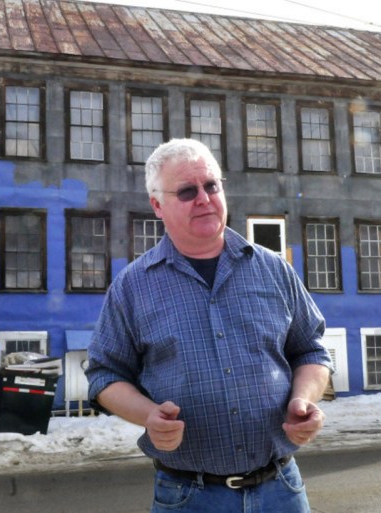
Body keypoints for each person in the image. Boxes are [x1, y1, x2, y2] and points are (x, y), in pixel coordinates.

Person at [85, 138, 333, 513]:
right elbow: (105, 374)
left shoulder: (273, 269)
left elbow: (310, 349)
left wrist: (304, 399)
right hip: (189, 496)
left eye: (211, 185)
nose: (204, 198)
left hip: (280, 488)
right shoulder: (132, 286)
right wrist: (148, 416)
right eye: (187, 191)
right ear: (157, 205)